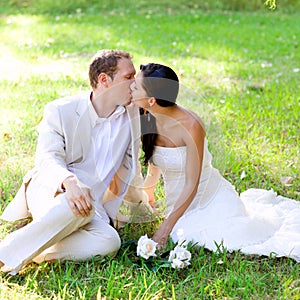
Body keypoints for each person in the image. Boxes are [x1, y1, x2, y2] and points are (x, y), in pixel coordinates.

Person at [129, 63, 300, 262]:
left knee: (210, 237)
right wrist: (149, 192)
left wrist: (164, 229)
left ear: (151, 99)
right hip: (175, 200)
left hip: (207, 195)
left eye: (136, 87)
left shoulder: (191, 125)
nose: (131, 87)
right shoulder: (146, 114)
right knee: (183, 235)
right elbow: (154, 155)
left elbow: (192, 183)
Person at [0, 49, 143, 275]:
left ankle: (34, 248)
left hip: (91, 206)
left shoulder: (134, 115)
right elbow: (47, 157)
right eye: (128, 77)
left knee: (109, 241)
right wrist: (70, 182)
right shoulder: (60, 110)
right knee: (74, 204)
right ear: (104, 80)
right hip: (51, 190)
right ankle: (3, 255)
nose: (134, 83)